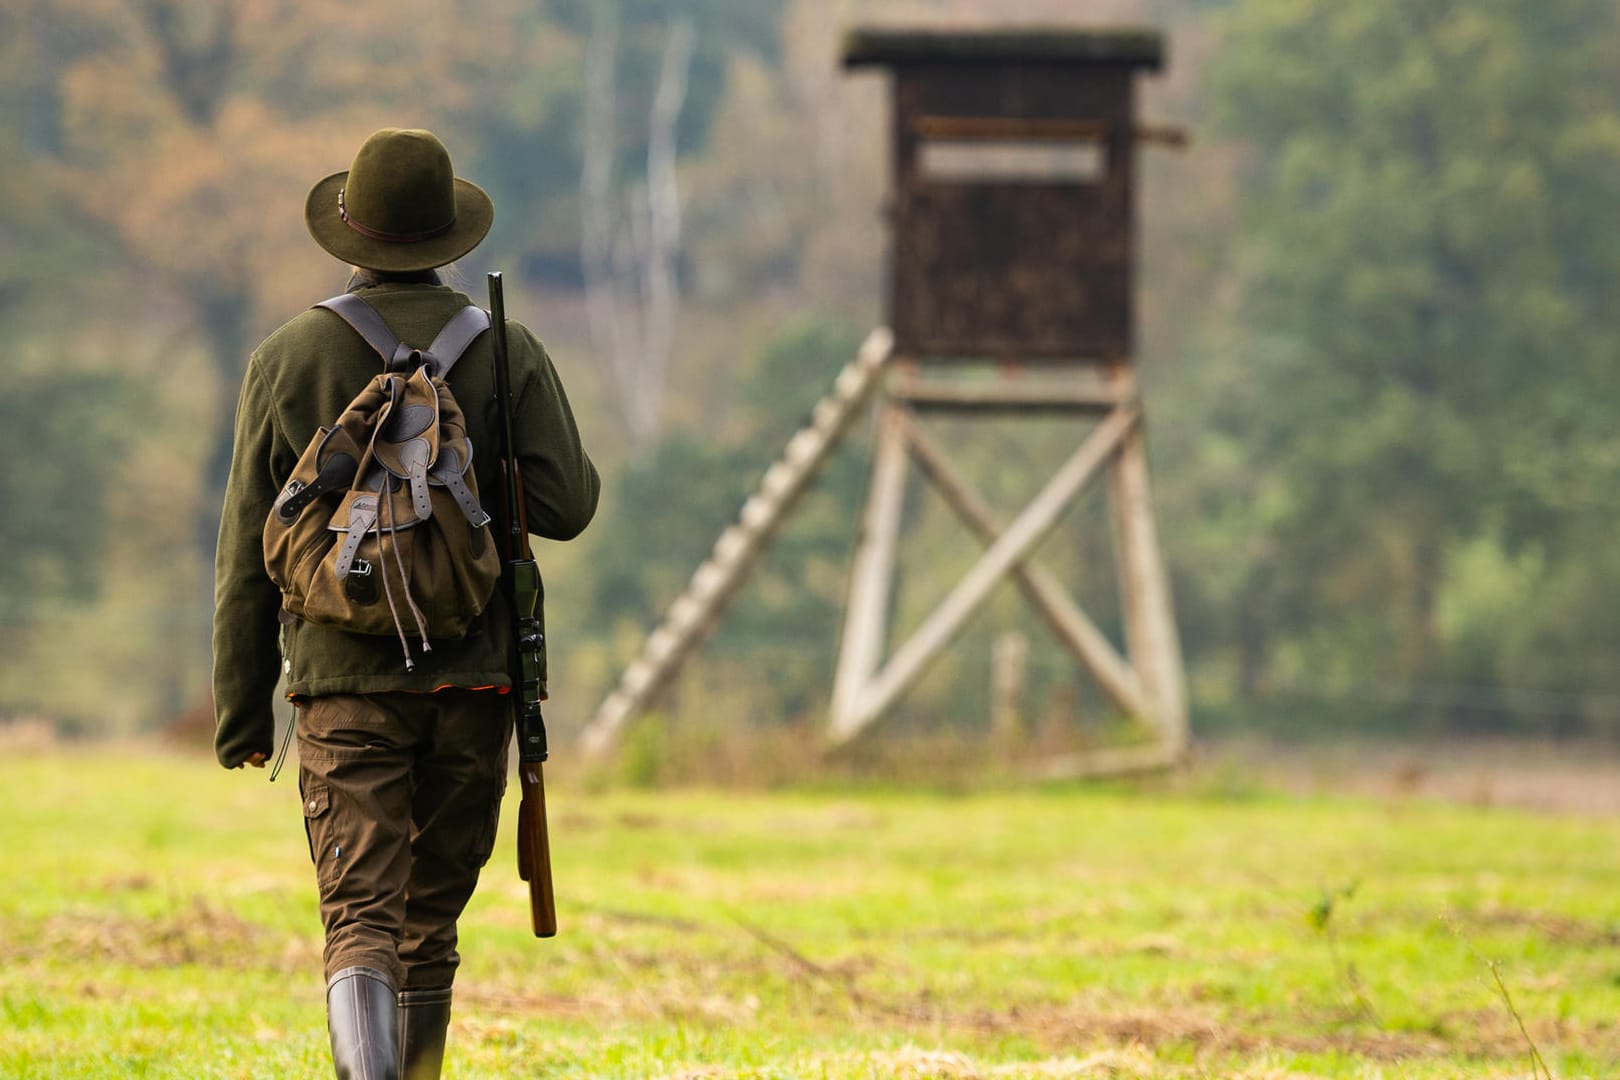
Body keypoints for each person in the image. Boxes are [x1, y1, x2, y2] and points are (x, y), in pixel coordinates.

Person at [212, 127, 599, 1079]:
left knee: (362, 918)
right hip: (474, 681)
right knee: (429, 920)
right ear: (451, 237)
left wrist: (241, 710)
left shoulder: (287, 356)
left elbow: (245, 551)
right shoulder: (505, 347)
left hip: (341, 684)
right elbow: (569, 506)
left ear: (349, 237)